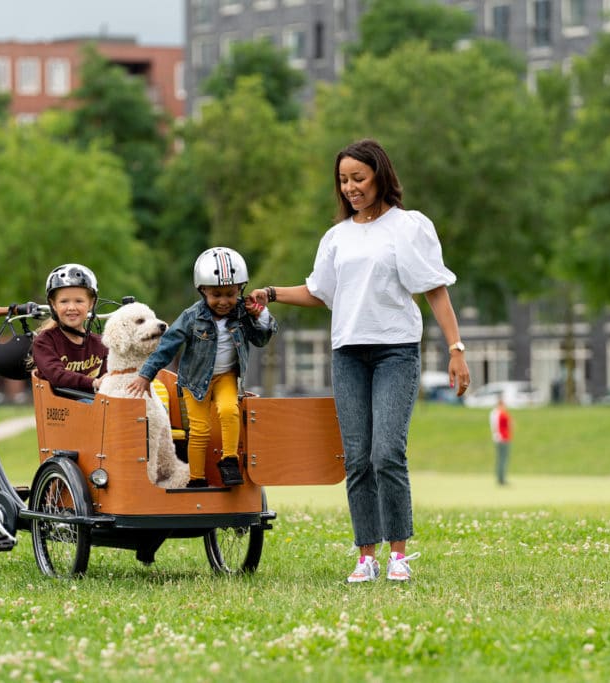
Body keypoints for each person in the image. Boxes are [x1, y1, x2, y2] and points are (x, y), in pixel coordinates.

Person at [249, 138, 469, 583]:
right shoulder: (337, 237)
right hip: (348, 353)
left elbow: (434, 290)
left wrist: (456, 349)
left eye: (359, 178)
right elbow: (319, 292)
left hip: (395, 351)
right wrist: (271, 293)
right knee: (357, 459)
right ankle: (366, 555)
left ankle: (399, 555)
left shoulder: (409, 227)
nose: (350, 187)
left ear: (380, 176)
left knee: (387, 451)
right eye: (344, 180)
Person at [128, 247, 277, 489]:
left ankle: (229, 461)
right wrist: (146, 375)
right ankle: (196, 478)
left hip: (226, 377)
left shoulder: (242, 314)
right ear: (202, 290)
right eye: (216, 295)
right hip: (194, 381)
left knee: (230, 411)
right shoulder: (191, 317)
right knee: (199, 430)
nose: (224, 301)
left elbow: (261, 339)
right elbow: (167, 345)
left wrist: (260, 316)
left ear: (241, 289)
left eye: (230, 294)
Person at [31, 263, 107, 394]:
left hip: (97, 407)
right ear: (53, 304)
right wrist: (94, 382)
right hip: (61, 409)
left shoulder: (101, 344)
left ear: (91, 303)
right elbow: (57, 376)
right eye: (64, 301)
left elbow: (109, 376)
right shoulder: (45, 342)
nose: (71, 307)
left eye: (79, 301)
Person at [490, 396, 512, 486]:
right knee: (503, 459)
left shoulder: (494, 413)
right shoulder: (501, 413)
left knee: (500, 459)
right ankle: (501, 479)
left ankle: (500, 478)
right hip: (503, 438)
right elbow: (509, 423)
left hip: (498, 437)